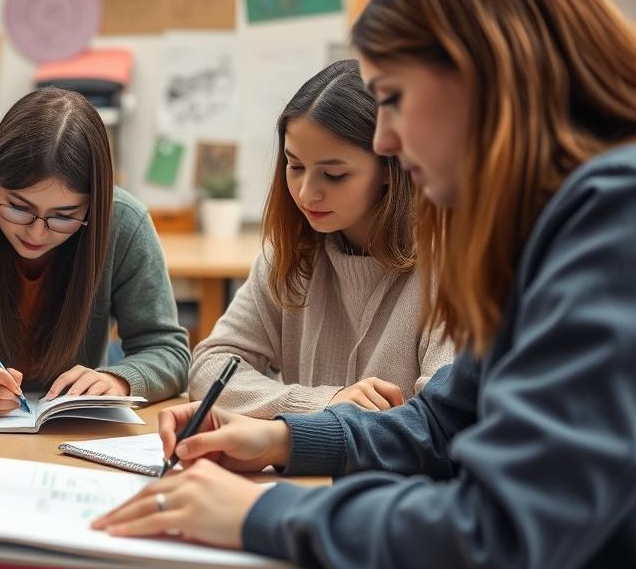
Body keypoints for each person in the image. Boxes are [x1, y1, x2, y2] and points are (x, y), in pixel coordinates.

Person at [94, 0, 636, 569]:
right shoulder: (561, 218)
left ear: (484, 74)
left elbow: (501, 541)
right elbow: (442, 423)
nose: (387, 140)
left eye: (393, 97)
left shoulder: (626, 212)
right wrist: (282, 439)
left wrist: (263, 513)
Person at [0, 87, 189, 415]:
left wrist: (117, 381)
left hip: (75, 430)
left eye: (64, 216)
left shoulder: (123, 222)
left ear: (93, 204)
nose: (36, 232)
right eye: (18, 208)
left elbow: (168, 351)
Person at [189, 59, 451, 417]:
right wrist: (323, 403)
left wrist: (326, 423)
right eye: (295, 166)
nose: (306, 193)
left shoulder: (449, 266)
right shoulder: (291, 254)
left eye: (334, 175)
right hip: (301, 455)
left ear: (392, 167)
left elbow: (440, 420)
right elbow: (208, 368)